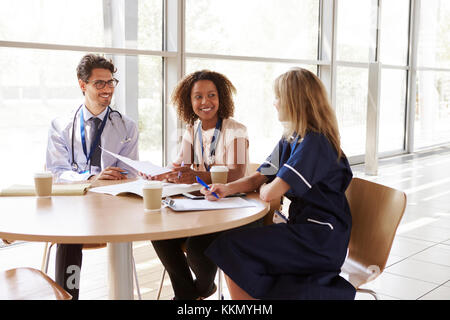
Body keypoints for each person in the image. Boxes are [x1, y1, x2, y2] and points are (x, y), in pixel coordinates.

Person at [202, 67, 356, 300]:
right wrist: (226, 188)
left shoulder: (315, 143)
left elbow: (270, 191)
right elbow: (259, 177)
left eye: (278, 97)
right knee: (231, 245)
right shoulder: (291, 137)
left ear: (293, 101)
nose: (274, 103)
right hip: (302, 228)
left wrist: (265, 189)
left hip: (319, 238)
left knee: (230, 246)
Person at [145, 70, 250, 300]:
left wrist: (194, 175)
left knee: (196, 248)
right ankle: (186, 296)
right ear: (189, 101)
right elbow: (180, 167)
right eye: (198, 97)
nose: (205, 102)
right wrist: (160, 175)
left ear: (221, 98)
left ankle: (196, 292)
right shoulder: (192, 131)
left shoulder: (236, 130)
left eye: (211, 95)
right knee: (159, 235)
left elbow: (237, 173)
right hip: (202, 207)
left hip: (231, 208)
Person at [45, 53, 139, 300]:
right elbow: (56, 173)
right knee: (69, 233)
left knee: (124, 230)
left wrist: (99, 181)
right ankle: (69, 296)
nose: (107, 89)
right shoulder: (61, 125)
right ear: (82, 84)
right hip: (74, 207)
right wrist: (91, 179)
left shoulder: (126, 126)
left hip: (113, 207)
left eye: (110, 83)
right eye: (99, 83)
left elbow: (128, 173)